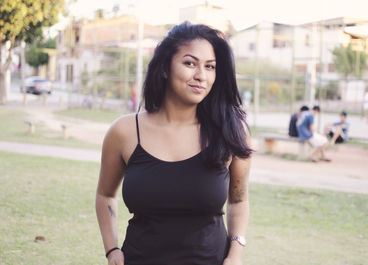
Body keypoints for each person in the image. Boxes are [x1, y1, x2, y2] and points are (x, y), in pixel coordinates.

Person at [95, 22, 252, 265]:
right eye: (190, 63)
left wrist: (236, 254)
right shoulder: (124, 131)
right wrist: (112, 250)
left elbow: (239, 200)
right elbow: (105, 195)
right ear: (165, 67)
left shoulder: (230, 132)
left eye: (210, 67)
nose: (201, 75)